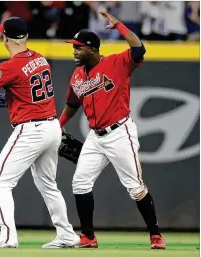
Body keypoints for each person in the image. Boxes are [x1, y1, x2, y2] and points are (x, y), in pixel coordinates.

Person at [59, 11, 166, 249]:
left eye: (79, 47)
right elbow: (72, 104)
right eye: (73, 47)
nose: (74, 51)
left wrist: (119, 25)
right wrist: (58, 126)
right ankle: (88, 236)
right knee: (80, 183)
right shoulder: (77, 75)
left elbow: (139, 49)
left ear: (93, 49)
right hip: (95, 137)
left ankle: (155, 234)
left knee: (136, 188)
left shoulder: (116, 63)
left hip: (120, 132)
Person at [0, 17, 79, 249]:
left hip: (31, 129)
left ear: (5, 38)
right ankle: (67, 234)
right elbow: (27, 90)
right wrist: (10, 97)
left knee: (1, 182)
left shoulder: (12, 65)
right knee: (49, 185)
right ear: (26, 37)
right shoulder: (40, 58)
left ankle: (8, 236)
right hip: (51, 127)